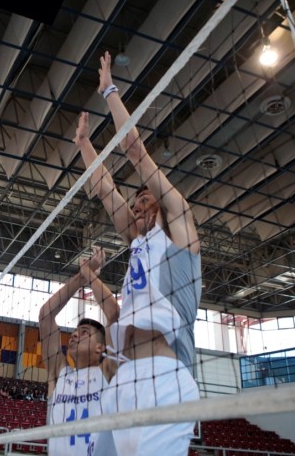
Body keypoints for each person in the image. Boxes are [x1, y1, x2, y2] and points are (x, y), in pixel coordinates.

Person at [74, 51, 201, 456]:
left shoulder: (180, 228)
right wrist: (83, 145)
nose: (138, 205)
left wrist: (108, 90)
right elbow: (105, 188)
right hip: (123, 379)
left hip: (163, 378)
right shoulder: (137, 242)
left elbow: (133, 149)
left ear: (161, 204)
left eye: (145, 199)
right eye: (136, 202)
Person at [39, 247, 119, 456]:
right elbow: (46, 315)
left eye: (84, 332)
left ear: (100, 347)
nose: (74, 335)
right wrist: (81, 277)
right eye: (74, 332)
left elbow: (113, 314)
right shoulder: (58, 373)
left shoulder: (109, 371)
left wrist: (89, 274)